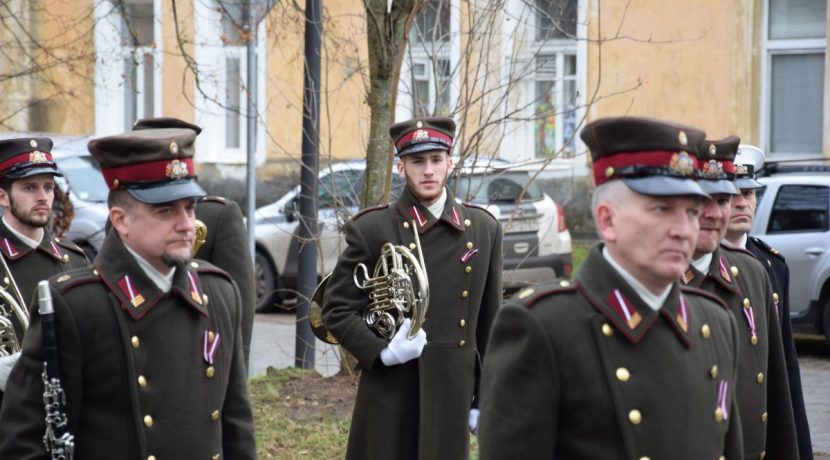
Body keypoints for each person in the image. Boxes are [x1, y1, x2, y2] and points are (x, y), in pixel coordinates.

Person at [479, 116, 743, 459]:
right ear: (607, 220)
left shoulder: (715, 321)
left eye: (692, 212)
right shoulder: (544, 327)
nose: (683, 230)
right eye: (662, 209)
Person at [0, 127, 256, 459]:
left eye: (190, 208)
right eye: (166, 211)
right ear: (120, 219)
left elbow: (236, 429)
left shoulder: (220, 292)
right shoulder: (76, 305)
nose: (186, 224)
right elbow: (25, 441)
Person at [321, 116, 502, 460]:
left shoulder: (483, 228)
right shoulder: (373, 228)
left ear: (450, 162)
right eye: (417, 161)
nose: (428, 171)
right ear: (402, 167)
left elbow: (489, 324)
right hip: (392, 388)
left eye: (436, 160)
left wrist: (485, 394)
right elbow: (336, 309)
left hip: (453, 390)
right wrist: (381, 351)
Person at [682, 136, 798, 458]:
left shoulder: (752, 273)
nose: (715, 213)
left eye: (723, 200)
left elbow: (778, 393)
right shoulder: (657, 281)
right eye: (703, 200)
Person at [132, 116, 255, 366]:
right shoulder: (125, 215)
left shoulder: (217, 216)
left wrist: (233, 369)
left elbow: (238, 305)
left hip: (193, 362)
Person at [724, 144, 813, 459]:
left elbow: (786, 362)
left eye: (748, 194)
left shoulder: (773, 265)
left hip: (766, 413)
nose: (741, 203)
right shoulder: (697, 265)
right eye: (731, 195)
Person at [0, 137, 89, 395]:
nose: (43, 197)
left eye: (48, 188)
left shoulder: (75, 259)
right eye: (30, 188)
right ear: (3, 197)